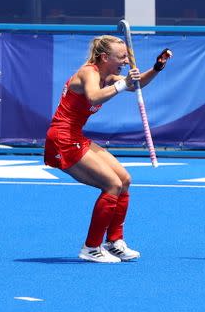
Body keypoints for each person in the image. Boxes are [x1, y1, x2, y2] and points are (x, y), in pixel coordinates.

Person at [44, 35, 172, 263]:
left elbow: (136, 84)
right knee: (111, 185)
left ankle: (114, 242)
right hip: (62, 138)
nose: (125, 60)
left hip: (76, 135)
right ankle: (91, 247)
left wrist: (156, 68)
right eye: (121, 56)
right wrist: (122, 84)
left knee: (124, 179)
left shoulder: (108, 75)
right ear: (105, 57)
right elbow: (93, 97)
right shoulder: (89, 72)